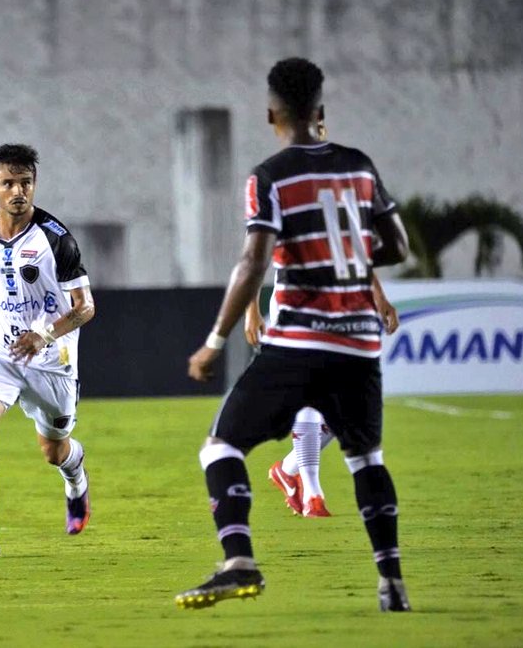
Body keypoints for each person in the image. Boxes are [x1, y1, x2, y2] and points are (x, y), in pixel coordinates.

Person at [174, 57, 412, 612]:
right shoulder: (359, 166)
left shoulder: (269, 176)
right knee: (366, 459)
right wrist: (348, 257)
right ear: (320, 112)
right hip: (358, 344)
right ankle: (392, 583)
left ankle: (238, 562)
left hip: (301, 342)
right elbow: (398, 246)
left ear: (270, 113)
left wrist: (215, 338)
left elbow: (253, 260)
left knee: (221, 447)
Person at [0, 143, 96, 558]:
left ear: (34, 186)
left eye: (25, 183)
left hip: (52, 360)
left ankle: (76, 480)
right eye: (8, 183)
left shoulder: (56, 240)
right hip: (1, 349)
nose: (18, 191)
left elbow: (86, 308)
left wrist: (44, 335)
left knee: (54, 450)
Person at [253, 274, 400, 517]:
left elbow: (357, 255)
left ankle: (287, 470)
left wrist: (380, 298)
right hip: (293, 305)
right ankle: (313, 495)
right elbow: (253, 259)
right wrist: (252, 310)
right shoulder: (281, 235)